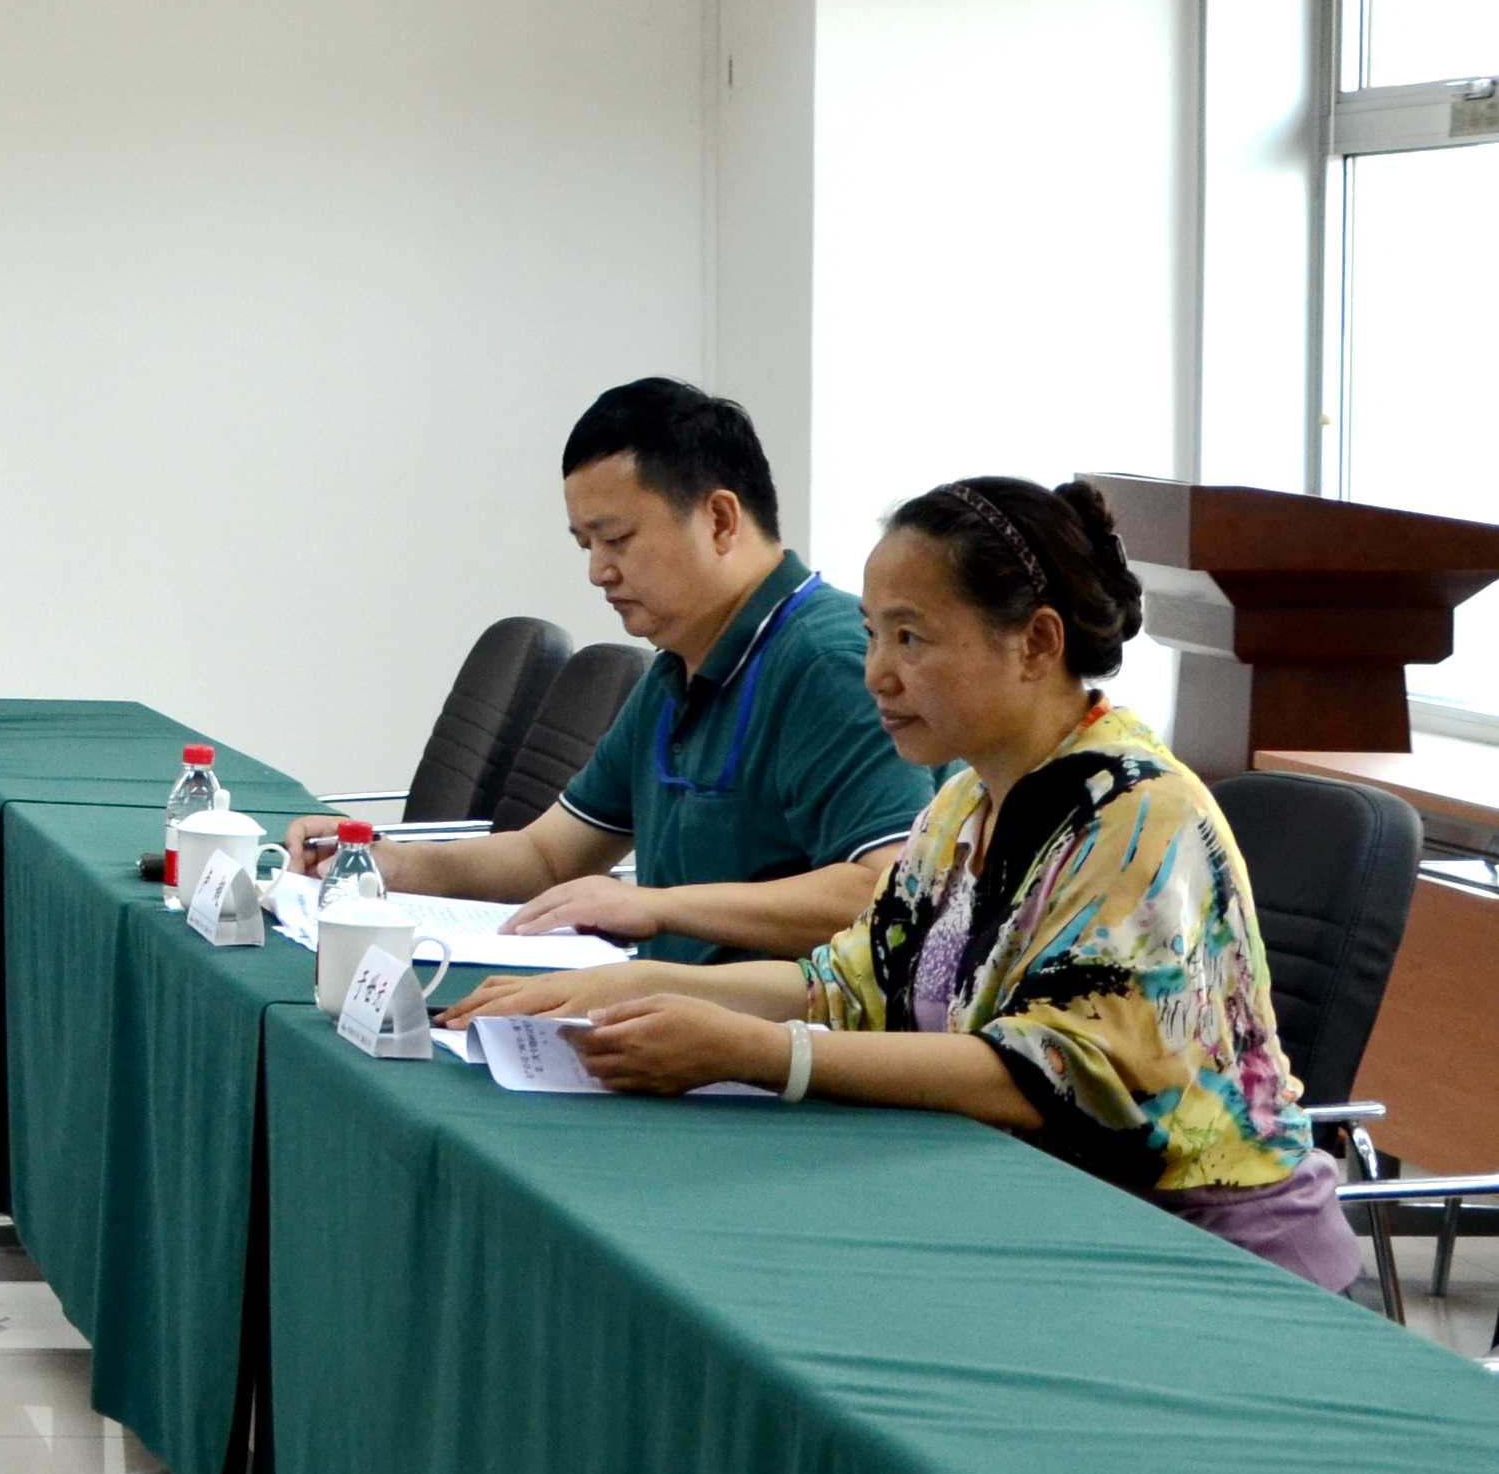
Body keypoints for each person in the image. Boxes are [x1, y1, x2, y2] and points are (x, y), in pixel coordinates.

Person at [459, 479, 1365, 1292]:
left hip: (1208, 1261)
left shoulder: (1137, 812)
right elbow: (847, 984)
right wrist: (633, 986)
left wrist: (760, 1052)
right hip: (1041, 1214)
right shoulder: (964, 802)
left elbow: (1049, 1075)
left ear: (1036, 644)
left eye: (911, 638)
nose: (877, 675)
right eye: (872, 636)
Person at [287, 378, 931, 963]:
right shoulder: (677, 669)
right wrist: (392, 864)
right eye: (586, 545)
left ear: (719, 520)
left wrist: (657, 908)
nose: (598, 571)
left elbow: (881, 891)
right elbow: (548, 855)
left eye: (617, 539)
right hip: (670, 1019)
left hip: (771, 1039)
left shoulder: (829, 662)